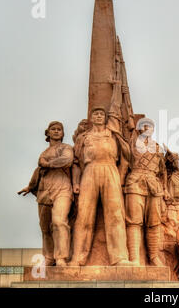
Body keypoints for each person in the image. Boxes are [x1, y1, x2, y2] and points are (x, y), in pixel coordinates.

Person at [68, 101, 133, 267]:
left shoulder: (113, 135)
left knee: (116, 215)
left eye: (101, 114)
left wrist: (121, 176)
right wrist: (76, 182)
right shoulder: (84, 137)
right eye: (95, 114)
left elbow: (126, 157)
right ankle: (77, 258)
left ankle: (119, 257)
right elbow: (76, 162)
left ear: (105, 118)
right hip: (90, 172)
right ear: (91, 117)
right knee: (83, 216)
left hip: (111, 170)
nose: (98, 116)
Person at [18, 121, 73, 267]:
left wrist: (47, 163)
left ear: (62, 133)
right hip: (44, 190)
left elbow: (67, 160)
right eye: (53, 129)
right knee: (45, 227)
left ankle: (61, 257)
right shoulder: (43, 153)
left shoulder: (66, 148)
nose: (56, 131)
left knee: (59, 222)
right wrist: (30, 186)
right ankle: (49, 257)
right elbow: (39, 171)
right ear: (47, 133)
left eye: (59, 129)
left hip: (62, 188)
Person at [124, 118, 170, 266]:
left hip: (154, 185)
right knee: (134, 222)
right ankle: (135, 258)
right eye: (143, 125)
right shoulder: (131, 143)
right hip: (135, 182)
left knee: (154, 223)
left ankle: (153, 257)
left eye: (149, 126)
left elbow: (163, 171)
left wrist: (165, 189)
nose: (146, 128)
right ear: (138, 129)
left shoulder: (157, 147)